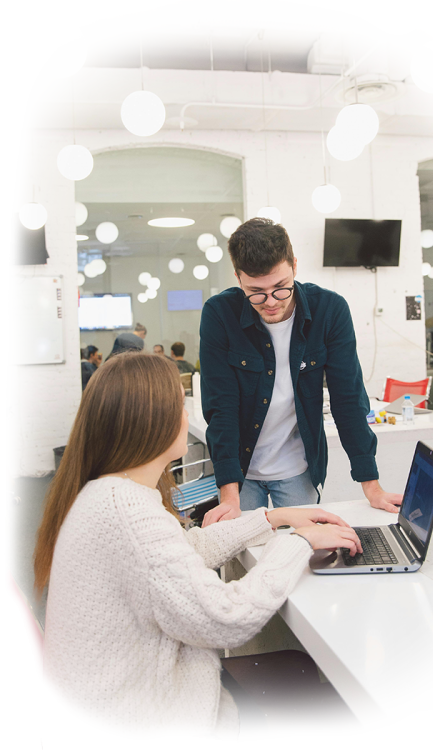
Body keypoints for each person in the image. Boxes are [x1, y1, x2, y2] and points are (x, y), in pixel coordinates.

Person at [32, 350, 363, 740]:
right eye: (181, 406)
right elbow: (227, 618)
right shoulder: (130, 514)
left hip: (119, 700)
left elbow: (183, 550)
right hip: (144, 718)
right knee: (336, 706)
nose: (188, 416)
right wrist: (300, 543)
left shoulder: (108, 493)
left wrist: (273, 518)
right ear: (152, 422)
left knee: (299, 668)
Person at [199, 217, 404, 526]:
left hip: (297, 468)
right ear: (237, 277)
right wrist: (229, 495)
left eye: (281, 288)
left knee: (304, 556)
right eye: (255, 292)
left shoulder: (330, 310)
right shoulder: (219, 314)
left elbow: (348, 399)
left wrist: (371, 485)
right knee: (243, 556)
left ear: (294, 265)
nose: (270, 302)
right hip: (239, 472)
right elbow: (221, 406)